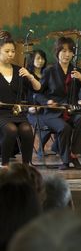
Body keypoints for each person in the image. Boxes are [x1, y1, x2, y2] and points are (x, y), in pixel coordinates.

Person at [34, 37, 81, 170]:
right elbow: (37, 93)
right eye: (64, 51)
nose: (67, 54)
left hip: (70, 111)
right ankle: (65, 160)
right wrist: (47, 101)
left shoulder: (76, 71)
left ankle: (73, 155)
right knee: (65, 128)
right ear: (57, 52)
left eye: (70, 51)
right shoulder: (49, 71)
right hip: (52, 113)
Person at [0, 31, 41, 167]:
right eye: (7, 51)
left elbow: (37, 87)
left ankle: (25, 166)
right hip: (1, 114)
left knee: (27, 130)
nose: (11, 54)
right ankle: (5, 164)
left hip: (17, 113)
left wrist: (30, 76)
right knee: (11, 130)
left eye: (13, 51)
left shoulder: (19, 70)